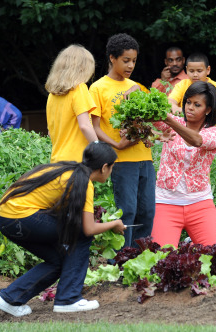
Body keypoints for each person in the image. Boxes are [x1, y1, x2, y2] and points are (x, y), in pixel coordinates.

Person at [0, 142, 126, 316]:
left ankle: (10, 298)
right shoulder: (83, 182)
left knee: (57, 260)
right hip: (21, 217)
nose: (111, 171)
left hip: (5, 219)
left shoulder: (66, 170)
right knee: (80, 235)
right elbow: (88, 229)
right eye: (112, 167)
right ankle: (69, 299)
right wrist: (114, 224)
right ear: (104, 167)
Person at [89, 33, 154, 249]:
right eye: (126, 60)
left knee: (147, 210)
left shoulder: (136, 86)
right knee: (128, 210)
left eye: (134, 61)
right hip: (121, 159)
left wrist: (149, 135)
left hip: (144, 157)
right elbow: (94, 127)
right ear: (112, 58)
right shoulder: (98, 88)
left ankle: (142, 255)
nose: (131, 65)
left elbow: (145, 121)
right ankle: (124, 256)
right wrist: (116, 145)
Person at [151, 81, 216, 248]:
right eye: (188, 102)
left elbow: (197, 140)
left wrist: (169, 120)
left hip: (200, 204)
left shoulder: (215, 133)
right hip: (166, 202)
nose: (189, 107)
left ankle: (190, 251)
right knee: (161, 260)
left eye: (197, 104)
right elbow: (147, 116)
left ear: (208, 110)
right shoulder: (172, 122)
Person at [45, 44, 99, 163]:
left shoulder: (52, 95)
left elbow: (50, 133)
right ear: (82, 68)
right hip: (76, 162)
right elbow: (85, 125)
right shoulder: (79, 89)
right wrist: (98, 147)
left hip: (56, 161)